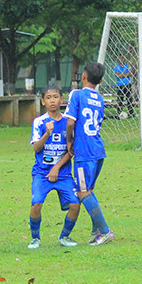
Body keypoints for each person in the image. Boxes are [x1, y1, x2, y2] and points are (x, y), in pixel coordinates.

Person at [64, 62, 115, 246]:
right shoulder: (100, 99)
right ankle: (95, 232)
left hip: (84, 151)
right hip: (98, 149)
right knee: (89, 191)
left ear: (83, 76)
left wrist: (69, 140)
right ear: (100, 80)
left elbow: (70, 122)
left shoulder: (76, 94)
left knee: (83, 192)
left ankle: (106, 231)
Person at [29, 86, 81, 249]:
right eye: (49, 97)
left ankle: (64, 236)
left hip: (63, 174)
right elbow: (36, 148)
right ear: (43, 101)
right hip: (42, 173)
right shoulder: (39, 122)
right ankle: (35, 238)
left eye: (56, 97)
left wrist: (57, 167)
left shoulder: (69, 122)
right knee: (36, 203)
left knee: (75, 204)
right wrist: (46, 134)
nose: (53, 100)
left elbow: (71, 150)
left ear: (62, 100)